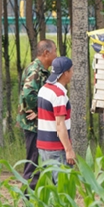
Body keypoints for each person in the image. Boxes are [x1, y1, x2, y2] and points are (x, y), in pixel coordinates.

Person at [17, 39, 58, 189]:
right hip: (33, 125)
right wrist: (40, 110)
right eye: (55, 51)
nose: (56, 55)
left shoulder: (41, 70)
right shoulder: (35, 70)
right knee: (33, 162)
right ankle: (28, 199)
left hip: (38, 123)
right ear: (46, 53)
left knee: (38, 162)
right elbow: (29, 94)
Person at [36, 56, 76, 184]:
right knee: (62, 188)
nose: (72, 73)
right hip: (56, 149)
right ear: (65, 73)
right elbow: (60, 125)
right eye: (71, 70)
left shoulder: (44, 89)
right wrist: (69, 150)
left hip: (43, 147)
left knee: (50, 187)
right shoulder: (59, 95)